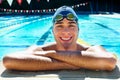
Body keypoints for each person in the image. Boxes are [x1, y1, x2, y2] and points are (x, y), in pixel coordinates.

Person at [3, 6, 117, 71]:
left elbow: (110, 62)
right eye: (59, 26)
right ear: (52, 30)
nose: (66, 32)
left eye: (71, 26)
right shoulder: (40, 49)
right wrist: (70, 63)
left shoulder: (92, 49)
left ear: (78, 30)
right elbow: (8, 60)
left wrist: (51, 55)